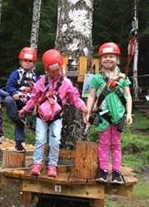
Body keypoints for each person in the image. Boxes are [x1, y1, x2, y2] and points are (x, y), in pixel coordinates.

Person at [19, 49, 87, 178]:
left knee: (55, 141)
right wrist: (25, 109)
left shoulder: (66, 83)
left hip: (56, 117)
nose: (55, 73)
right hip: (41, 117)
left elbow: (74, 97)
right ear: (46, 69)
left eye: (57, 69)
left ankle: (52, 166)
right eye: (52, 70)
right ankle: (37, 164)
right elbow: (33, 98)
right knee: (40, 140)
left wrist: (83, 106)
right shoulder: (41, 83)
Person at [85, 42, 133, 184]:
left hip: (118, 116)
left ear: (117, 59)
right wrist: (88, 112)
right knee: (104, 144)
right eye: (105, 57)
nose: (108, 59)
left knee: (116, 144)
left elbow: (128, 97)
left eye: (111, 56)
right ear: (100, 60)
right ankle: (103, 170)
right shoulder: (97, 79)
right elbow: (91, 96)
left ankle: (117, 172)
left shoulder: (123, 78)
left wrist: (129, 114)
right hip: (103, 116)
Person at [4, 47, 37, 152]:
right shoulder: (16, 74)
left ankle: (29, 124)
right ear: (20, 61)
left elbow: (40, 88)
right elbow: (9, 85)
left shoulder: (36, 77)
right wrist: (14, 93)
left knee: (31, 117)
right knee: (8, 99)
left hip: (30, 103)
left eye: (30, 61)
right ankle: (17, 119)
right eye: (25, 61)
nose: (27, 63)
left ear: (34, 63)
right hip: (18, 101)